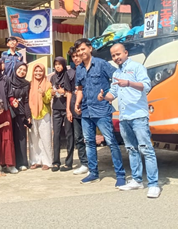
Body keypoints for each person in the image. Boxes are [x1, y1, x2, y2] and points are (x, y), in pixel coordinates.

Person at [99, 43, 161, 198]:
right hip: (124, 116)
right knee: (131, 149)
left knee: (146, 149)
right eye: (113, 56)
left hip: (138, 115)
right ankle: (137, 180)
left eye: (118, 54)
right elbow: (112, 94)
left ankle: (153, 184)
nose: (116, 58)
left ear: (125, 53)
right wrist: (103, 96)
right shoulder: (116, 74)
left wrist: (128, 83)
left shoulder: (137, 67)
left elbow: (146, 86)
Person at [74, 38, 126, 186]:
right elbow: (80, 89)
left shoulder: (102, 64)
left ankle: (120, 175)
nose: (81, 53)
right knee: (89, 142)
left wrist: (109, 94)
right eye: (78, 51)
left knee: (110, 141)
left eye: (83, 49)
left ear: (90, 48)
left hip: (102, 110)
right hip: (86, 110)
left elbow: (118, 78)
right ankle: (93, 173)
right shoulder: (79, 69)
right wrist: (77, 103)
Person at [66, 47, 88, 175]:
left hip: (89, 108)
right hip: (75, 109)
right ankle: (84, 163)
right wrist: (68, 109)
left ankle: (92, 162)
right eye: (73, 57)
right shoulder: (70, 73)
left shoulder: (88, 69)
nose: (75, 58)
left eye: (77, 56)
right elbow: (69, 92)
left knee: (89, 138)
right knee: (78, 138)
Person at [50, 57, 74, 172]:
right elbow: (51, 90)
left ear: (64, 65)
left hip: (66, 108)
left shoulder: (68, 75)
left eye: (60, 64)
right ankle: (55, 162)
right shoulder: (53, 77)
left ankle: (68, 163)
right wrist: (52, 92)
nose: (58, 66)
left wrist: (63, 92)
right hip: (56, 108)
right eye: (56, 64)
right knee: (56, 135)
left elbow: (69, 92)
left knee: (69, 134)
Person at [28, 63, 53, 170]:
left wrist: (43, 94)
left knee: (46, 138)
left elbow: (48, 100)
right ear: (33, 72)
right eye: (36, 71)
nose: (38, 73)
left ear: (44, 72)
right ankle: (35, 160)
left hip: (44, 114)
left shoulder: (48, 84)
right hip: (32, 114)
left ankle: (47, 162)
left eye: (40, 71)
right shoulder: (30, 85)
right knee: (33, 138)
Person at [8, 61, 31, 171]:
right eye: (20, 69)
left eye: (24, 70)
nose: (22, 72)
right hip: (9, 113)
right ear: (15, 69)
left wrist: (28, 115)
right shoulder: (8, 81)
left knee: (21, 138)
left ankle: (22, 163)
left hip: (20, 113)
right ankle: (11, 163)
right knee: (10, 138)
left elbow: (26, 101)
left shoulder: (26, 84)